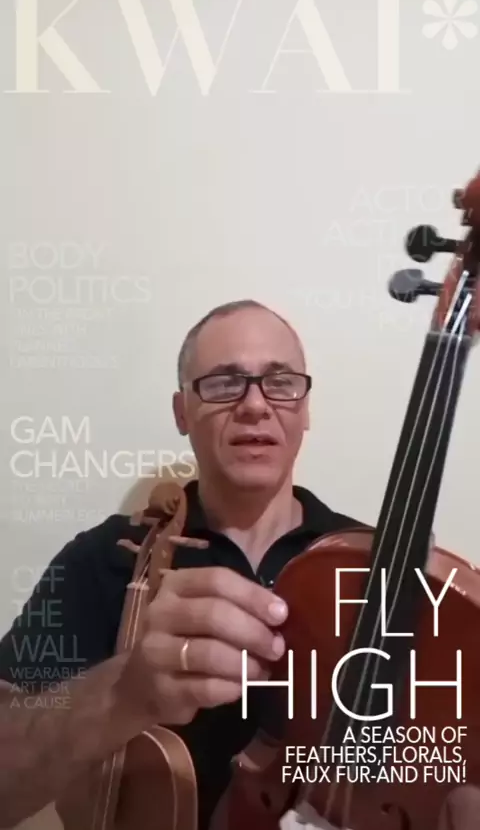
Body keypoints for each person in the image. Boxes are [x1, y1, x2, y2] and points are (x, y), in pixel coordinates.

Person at [0, 299, 476, 830]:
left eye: (281, 382)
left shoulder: (376, 568)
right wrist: (125, 691)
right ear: (182, 412)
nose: (254, 405)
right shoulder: (106, 558)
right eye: (224, 383)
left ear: (305, 409)